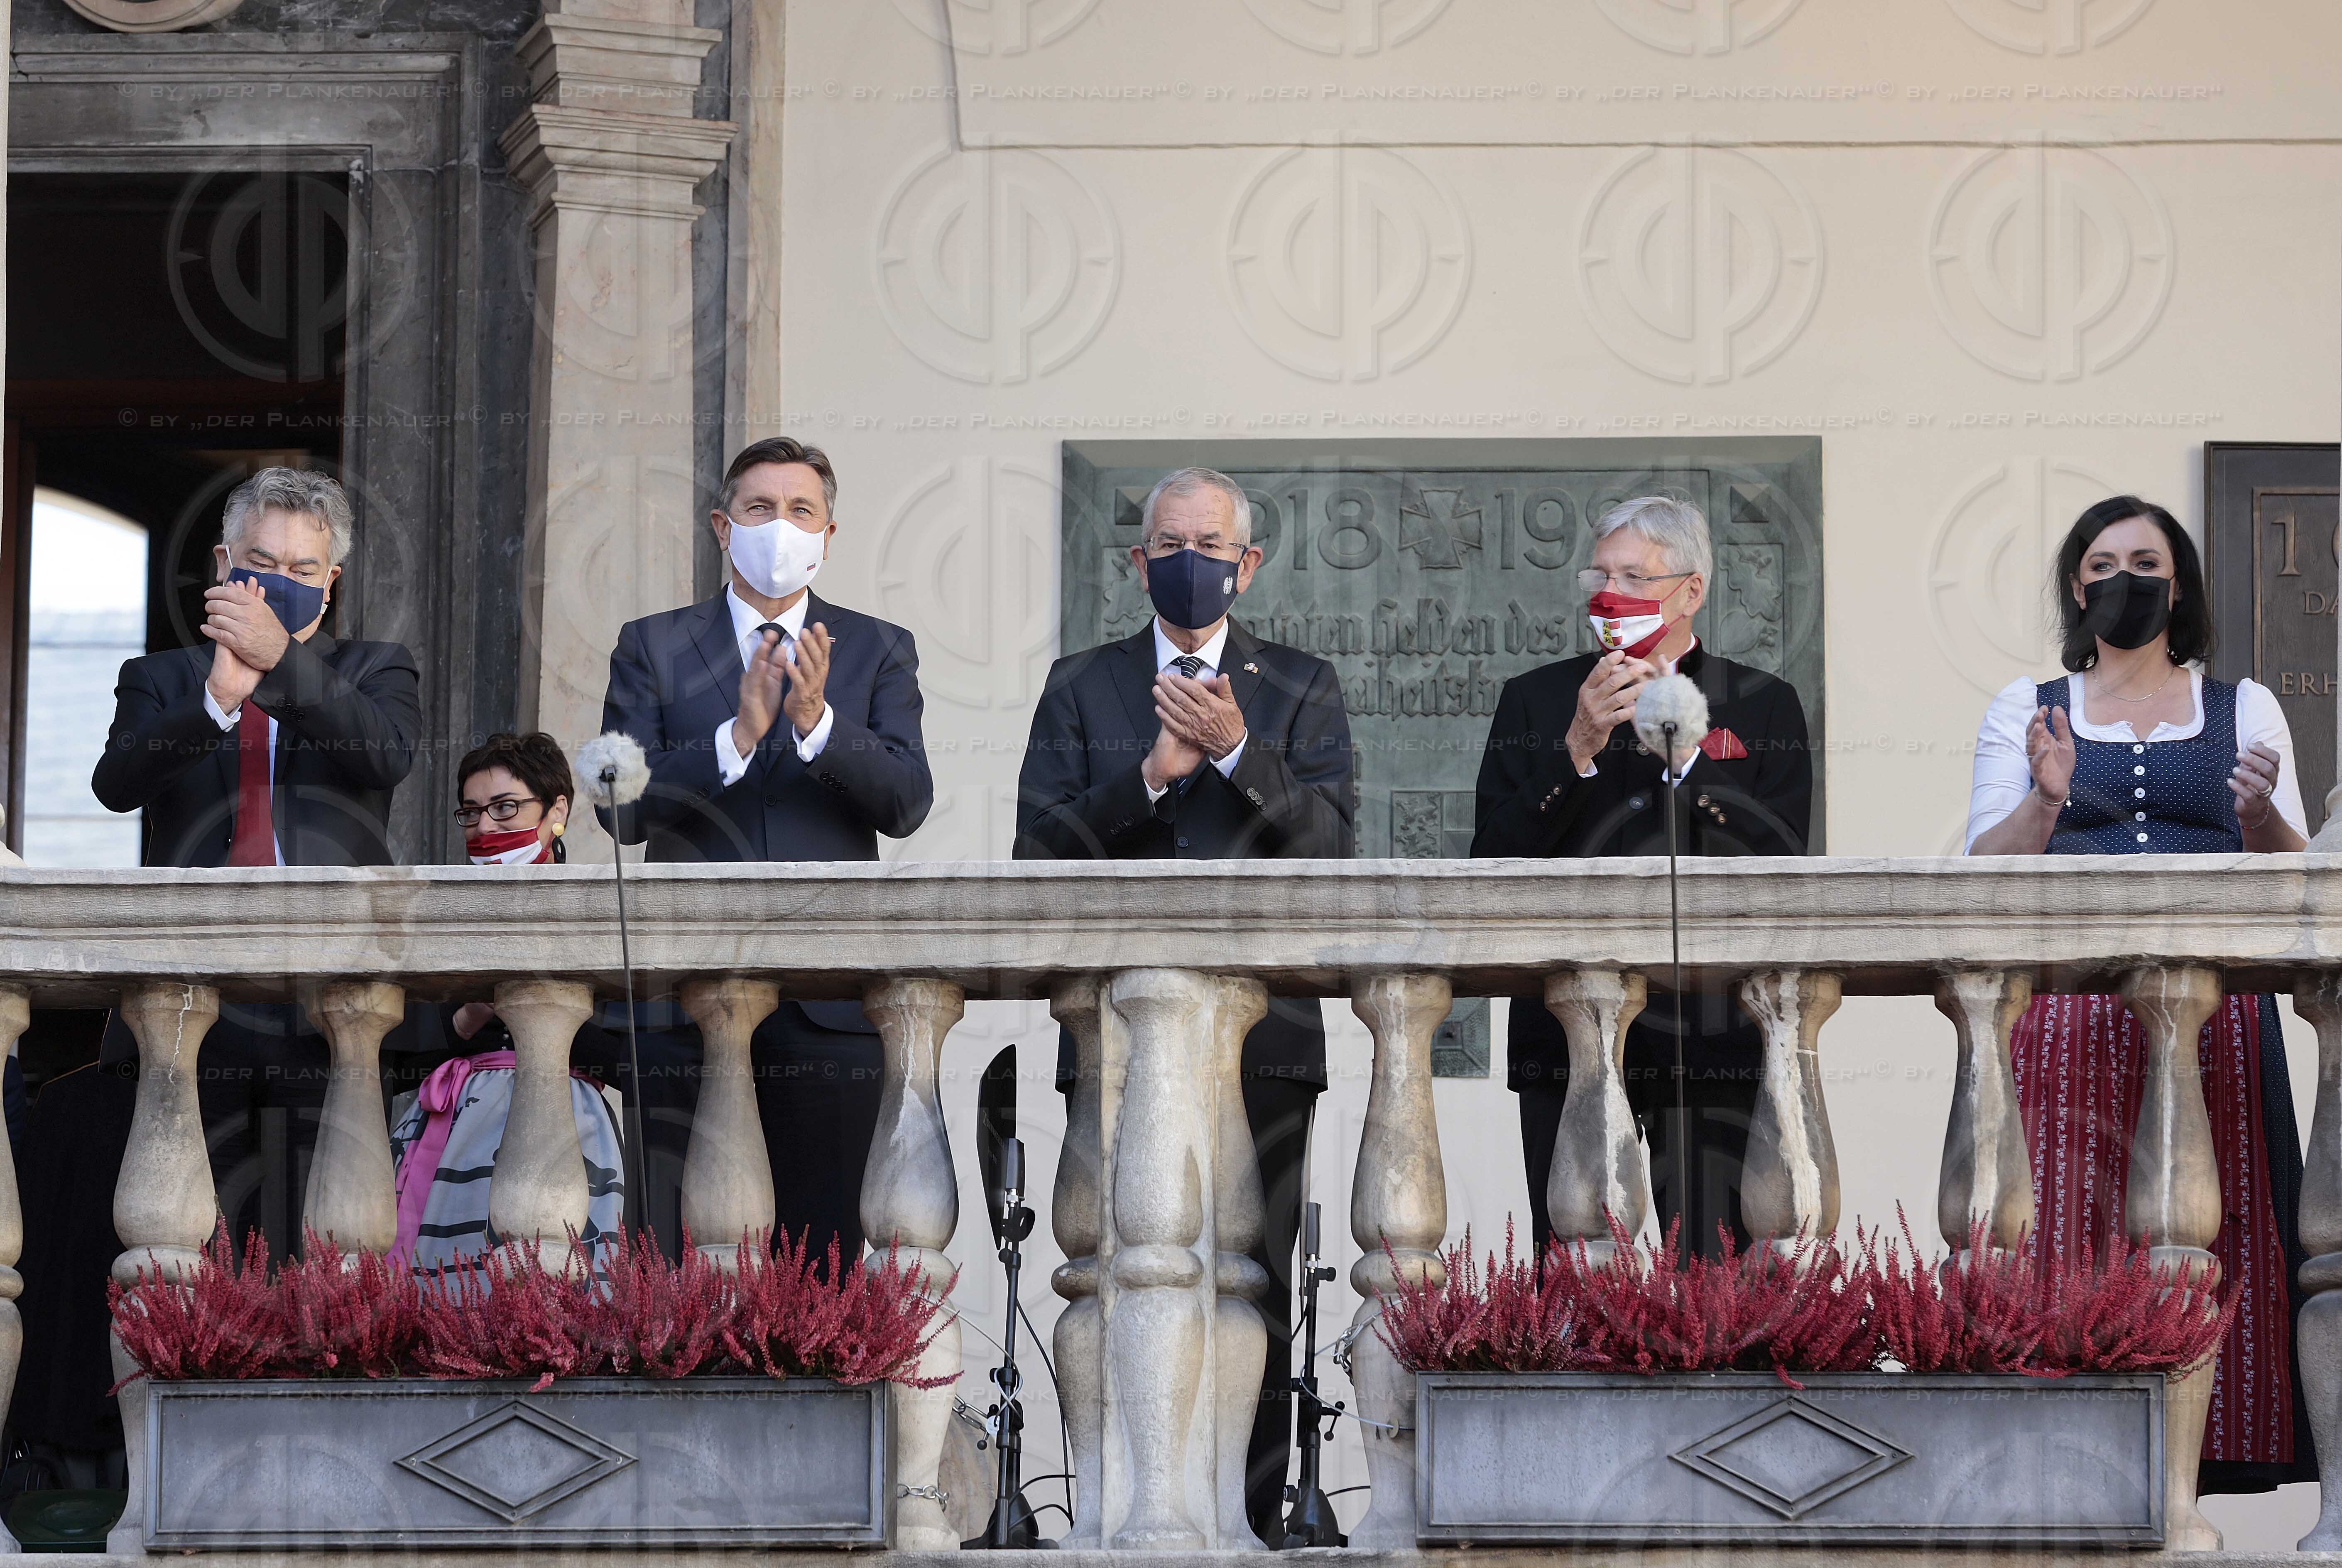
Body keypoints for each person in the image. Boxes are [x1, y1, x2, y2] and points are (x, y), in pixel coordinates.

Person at [1013, 465, 1353, 1544]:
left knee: (1249, 1290)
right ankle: (1117, 1521)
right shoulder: (1083, 684)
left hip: (1269, 1045)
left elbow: (1336, 849)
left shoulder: (1298, 685)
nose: (1191, 560)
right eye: (1170, 542)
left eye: (1211, 543)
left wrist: (1242, 754)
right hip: (1114, 1041)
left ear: (1247, 565)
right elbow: (1035, 856)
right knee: (1117, 1286)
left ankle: (1246, 1526)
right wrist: (1153, 777)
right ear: (1139, 559)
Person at [1965, 495, 2312, 1494]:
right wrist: (2046, 794)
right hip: (2073, 1019)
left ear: (2180, 583)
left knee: (2218, 1238)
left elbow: (2296, 876)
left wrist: (2260, 819)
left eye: (2148, 561)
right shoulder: (2028, 707)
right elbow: (1987, 872)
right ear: (2079, 584)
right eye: (2106, 562)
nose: (2127, 578)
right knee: (2066, 1240)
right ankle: (2067, 1482)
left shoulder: (2246, 706)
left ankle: (2190, 1479)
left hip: (2214, 1025)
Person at [600, 436, 931, 1263]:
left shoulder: (876, 647)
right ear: (722, 524)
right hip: (682, 1000)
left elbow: (906, 802)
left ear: (827, 534)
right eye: (758, 508)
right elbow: (621, 807)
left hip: (829, 1014)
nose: (778, 526)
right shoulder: (653, 645)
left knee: (821, 1269)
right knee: (679, 1264)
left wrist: (819, 724)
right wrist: (736, 737)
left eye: (800, 510)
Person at [1472, 495, 1813, 1260]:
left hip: (1710, 1032)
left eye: (1635, 576)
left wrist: (1686, 760)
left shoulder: (1763, 705)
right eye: (1602, 573)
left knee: (1713, 1281)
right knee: (1573, 1278)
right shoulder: (1536, 699)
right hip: (1566, 1029)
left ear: (1691, 591)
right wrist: (1578, 750)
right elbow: (1492, 859)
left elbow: (1778, 858)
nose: (1610, 592)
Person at [86, 466, 422, 1241]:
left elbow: (385, 757)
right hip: (190, 1004)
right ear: (222, 566)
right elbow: (116, 783)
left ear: (331, 583)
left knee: (325, 1242)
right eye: (262, 565)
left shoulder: (374, 669)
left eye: (303, 570)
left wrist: (280, 664)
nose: (281, 582)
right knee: (185, 1244)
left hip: (326, 1005)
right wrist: (218, 699)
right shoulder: (160, 676)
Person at [389, 733, 626, 1271]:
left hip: (567, 1125)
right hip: (454, 1129)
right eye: (472, 813)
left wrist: (539, 1008)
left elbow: (638, 1054)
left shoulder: (597, 912)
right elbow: (388, 1051)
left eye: (505, 808)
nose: (486, 827)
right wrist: (469, 1016)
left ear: (557, 809)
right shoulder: (435, 912)